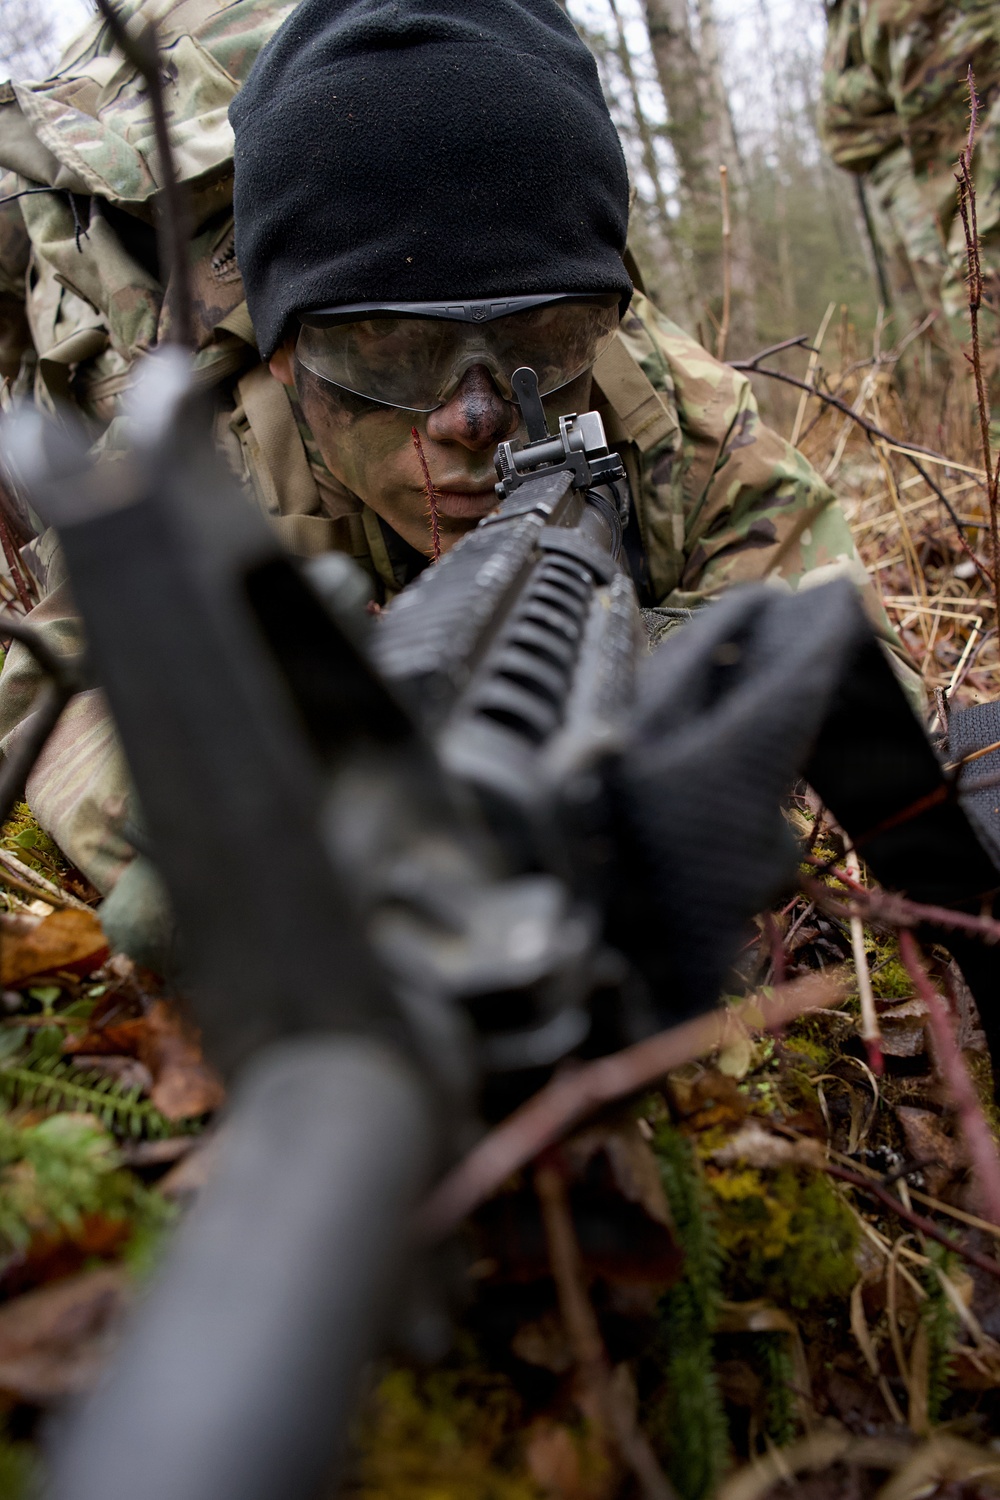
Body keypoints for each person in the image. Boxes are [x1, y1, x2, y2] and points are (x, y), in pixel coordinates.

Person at [0, 0, 916, 952]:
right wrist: (267, 810)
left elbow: (846, 644)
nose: (475, 419)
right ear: (282, 358)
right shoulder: (207, 447)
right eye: (387, 350)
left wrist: (655, 674)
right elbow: (53, 689)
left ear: (603, 319)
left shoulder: (665, 409)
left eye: (537, 340)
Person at [819, 0, 1000, 358]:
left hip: (943, 152)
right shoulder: (849, 18)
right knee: (941, 318)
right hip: (911, 165)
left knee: (973, 280)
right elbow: (840, 123)